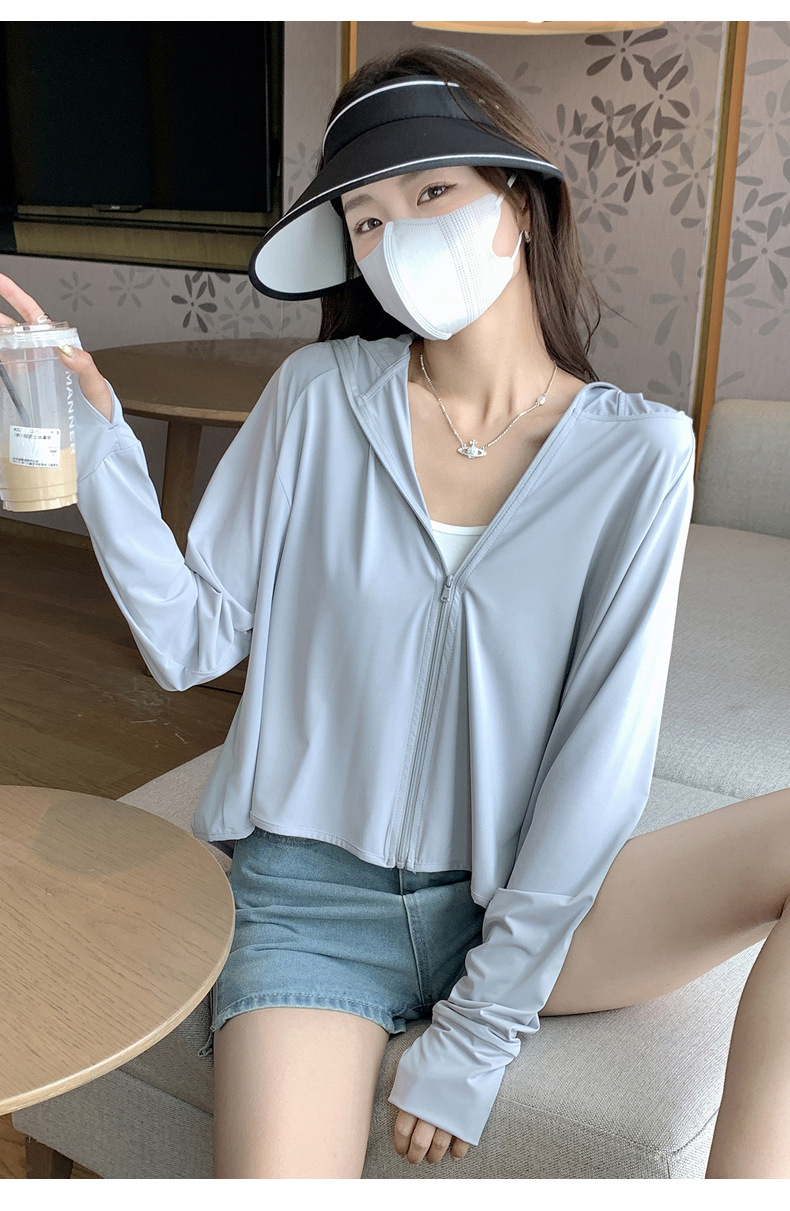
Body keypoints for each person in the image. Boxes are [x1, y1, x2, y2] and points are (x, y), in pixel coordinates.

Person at [2, 42, 789, 1183]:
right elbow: (188, 640)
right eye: (365, 220)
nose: (397, 234)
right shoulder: (315, 401)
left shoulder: (639, 452)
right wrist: (103, 451)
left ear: (518, 205)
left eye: (432, 193)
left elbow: (601, 755)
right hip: (310, 904)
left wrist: (480, 1025)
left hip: (528, 899)